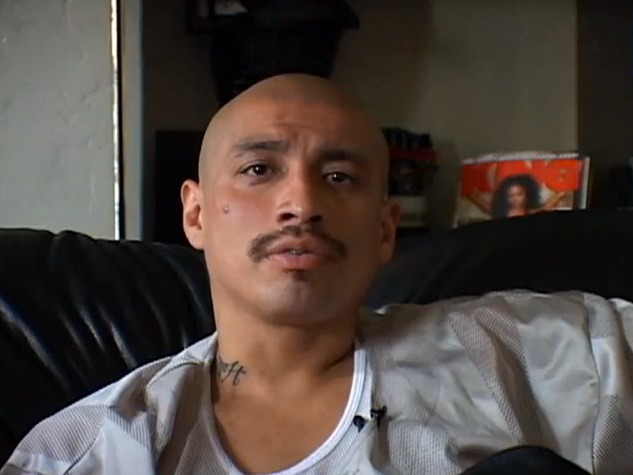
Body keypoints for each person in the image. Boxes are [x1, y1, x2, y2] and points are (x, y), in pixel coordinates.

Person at [2, 74, 633, 474]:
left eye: (339, 177)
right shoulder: (88, 451)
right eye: (259, 170)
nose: (302, 204)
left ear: (384, 229)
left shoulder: (533, 354)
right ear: (196, 214)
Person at [467, 173, 567, 219]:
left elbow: (545, 208)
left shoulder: (529, 212)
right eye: (511, 196)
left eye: (519, 194)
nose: (515, 199)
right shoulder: (501, 212)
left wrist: (559, 195)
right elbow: (484, 205)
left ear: (527, 194)